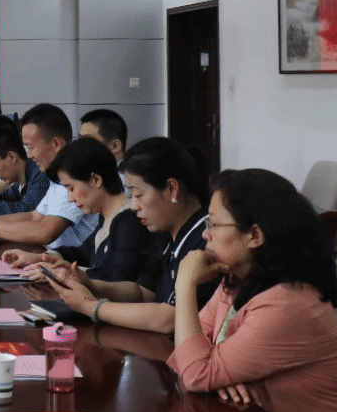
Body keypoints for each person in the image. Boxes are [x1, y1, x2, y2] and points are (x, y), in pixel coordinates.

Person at [169, 169, 337, 412]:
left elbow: (194, 369)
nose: (205, 235)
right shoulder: (236, 279)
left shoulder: (289, 304)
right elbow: (190, 351)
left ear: (255, 235)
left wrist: (185, 285)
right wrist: (215, 375)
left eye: (214, 224)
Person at [45, 136, 217, 334]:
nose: (134, 206)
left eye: (138, 195)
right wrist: (90, 284)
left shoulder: (206, 239)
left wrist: (90, 307)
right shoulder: (166, 236)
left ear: (171, 189)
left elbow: (170, 318)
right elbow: (142, 293)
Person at [2, 137, 152, 282]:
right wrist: (41, 258)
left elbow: (117, 280)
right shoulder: (107, 217)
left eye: (72, 188)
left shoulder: (129, 222)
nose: (70, 198)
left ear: (96, 179)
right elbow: (83, 253)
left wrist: (62, 272)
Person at [0, 104, 97, 249]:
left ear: (55, 143)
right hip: (46, 255)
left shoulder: (74, 177)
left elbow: (44, 232)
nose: (29, 155)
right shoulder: (56, 177)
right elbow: (33, 216)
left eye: (31, 147)